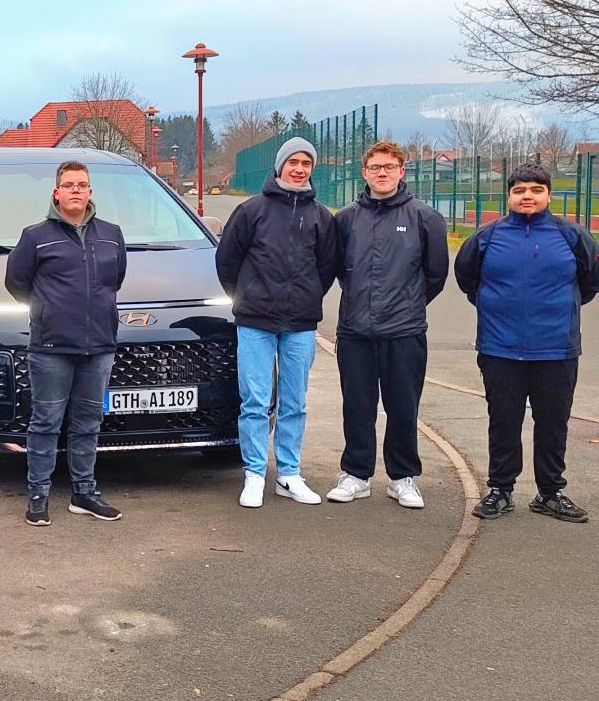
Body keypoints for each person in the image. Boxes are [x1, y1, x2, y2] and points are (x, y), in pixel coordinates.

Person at [456, 163, 599, 523]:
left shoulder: (573, 237)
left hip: (556, 349)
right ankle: (500, 490)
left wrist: (557, 308)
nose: (527, 196)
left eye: (536, 189)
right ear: (510, 196)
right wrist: (496, 305)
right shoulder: (486, 238)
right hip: (500, 348)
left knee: (553, 422)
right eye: (520, 190)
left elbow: (590, 282)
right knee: (503, 419)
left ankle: (550, 493)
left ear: (548, 195)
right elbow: (467, 278)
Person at [216, 137, 338, 508]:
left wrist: (308, 295)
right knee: (254, 400)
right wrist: (247, 296)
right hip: (255, 321)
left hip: (300, 323)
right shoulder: (251, 211)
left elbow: (327, 267)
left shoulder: (321, 217)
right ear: (280, 165)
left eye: (306, 163)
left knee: (294, 401)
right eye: (293, 162)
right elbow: (227, 262)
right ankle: (254, 474)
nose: (299, 169)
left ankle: (288, 474)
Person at [326, 139, 448, 509]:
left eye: (389, 167)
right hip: (355, 331)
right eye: (375, 167)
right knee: (357, 406)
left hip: (405, 332)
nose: (382, 173)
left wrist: (406, 305)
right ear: (364, 172)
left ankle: (402, 477)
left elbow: (436, 275)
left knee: (403, 407)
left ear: (401, 172)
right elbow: (337, 270)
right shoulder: (346, 219)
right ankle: (356, 475)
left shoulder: (424, 218)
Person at [5, 160, 127, 526]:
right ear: (56, 193)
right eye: (69, 185)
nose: (76, 190)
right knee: (46, 422)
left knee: (89, 422)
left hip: (100, 346)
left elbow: (116, 279)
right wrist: (47, 311)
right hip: (51, 348)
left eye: (82, 184)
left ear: (91, 192)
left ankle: (84, 493)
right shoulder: (36, 236)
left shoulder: (112, 235)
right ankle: (39, 494)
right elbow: (16, 282)